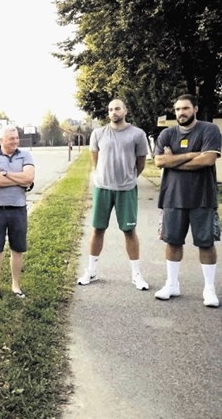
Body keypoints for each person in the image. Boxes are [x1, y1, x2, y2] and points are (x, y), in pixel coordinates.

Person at [153, 94, 220, 308]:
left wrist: (173, 161)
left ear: (195, 109)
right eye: (178, 109)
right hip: (172, 197)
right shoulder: (167, 133)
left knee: (206, 243)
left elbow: (208, 159)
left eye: (186, 108)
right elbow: (159, 161)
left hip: (203, 197)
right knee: (172, 242)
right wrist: (193, 155)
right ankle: (172, 284)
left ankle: (209, 289)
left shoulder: (209, 130)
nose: (181, 113)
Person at [77, 99, 150, 290]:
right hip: (103, 188)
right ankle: (91, 271)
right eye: (110, 109)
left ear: (125, 110)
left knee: (129, 231)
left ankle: (136, 274)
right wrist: (103, 176)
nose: (113, 112)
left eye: (117, 108)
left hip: (126, 189)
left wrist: (129, 177)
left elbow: (140, 163)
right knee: (98, 229)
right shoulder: (98, 133)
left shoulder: (137, 134)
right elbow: (95, 160)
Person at [0, 125, 35, 299]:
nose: (15, 141)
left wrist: (5, 173)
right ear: (1, 140)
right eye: (11, 138)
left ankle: (16, 286)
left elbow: (29, 178)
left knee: (17, 249)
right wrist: (17, 178)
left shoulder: (26, 155)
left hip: (18, 209)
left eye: (16, 137)